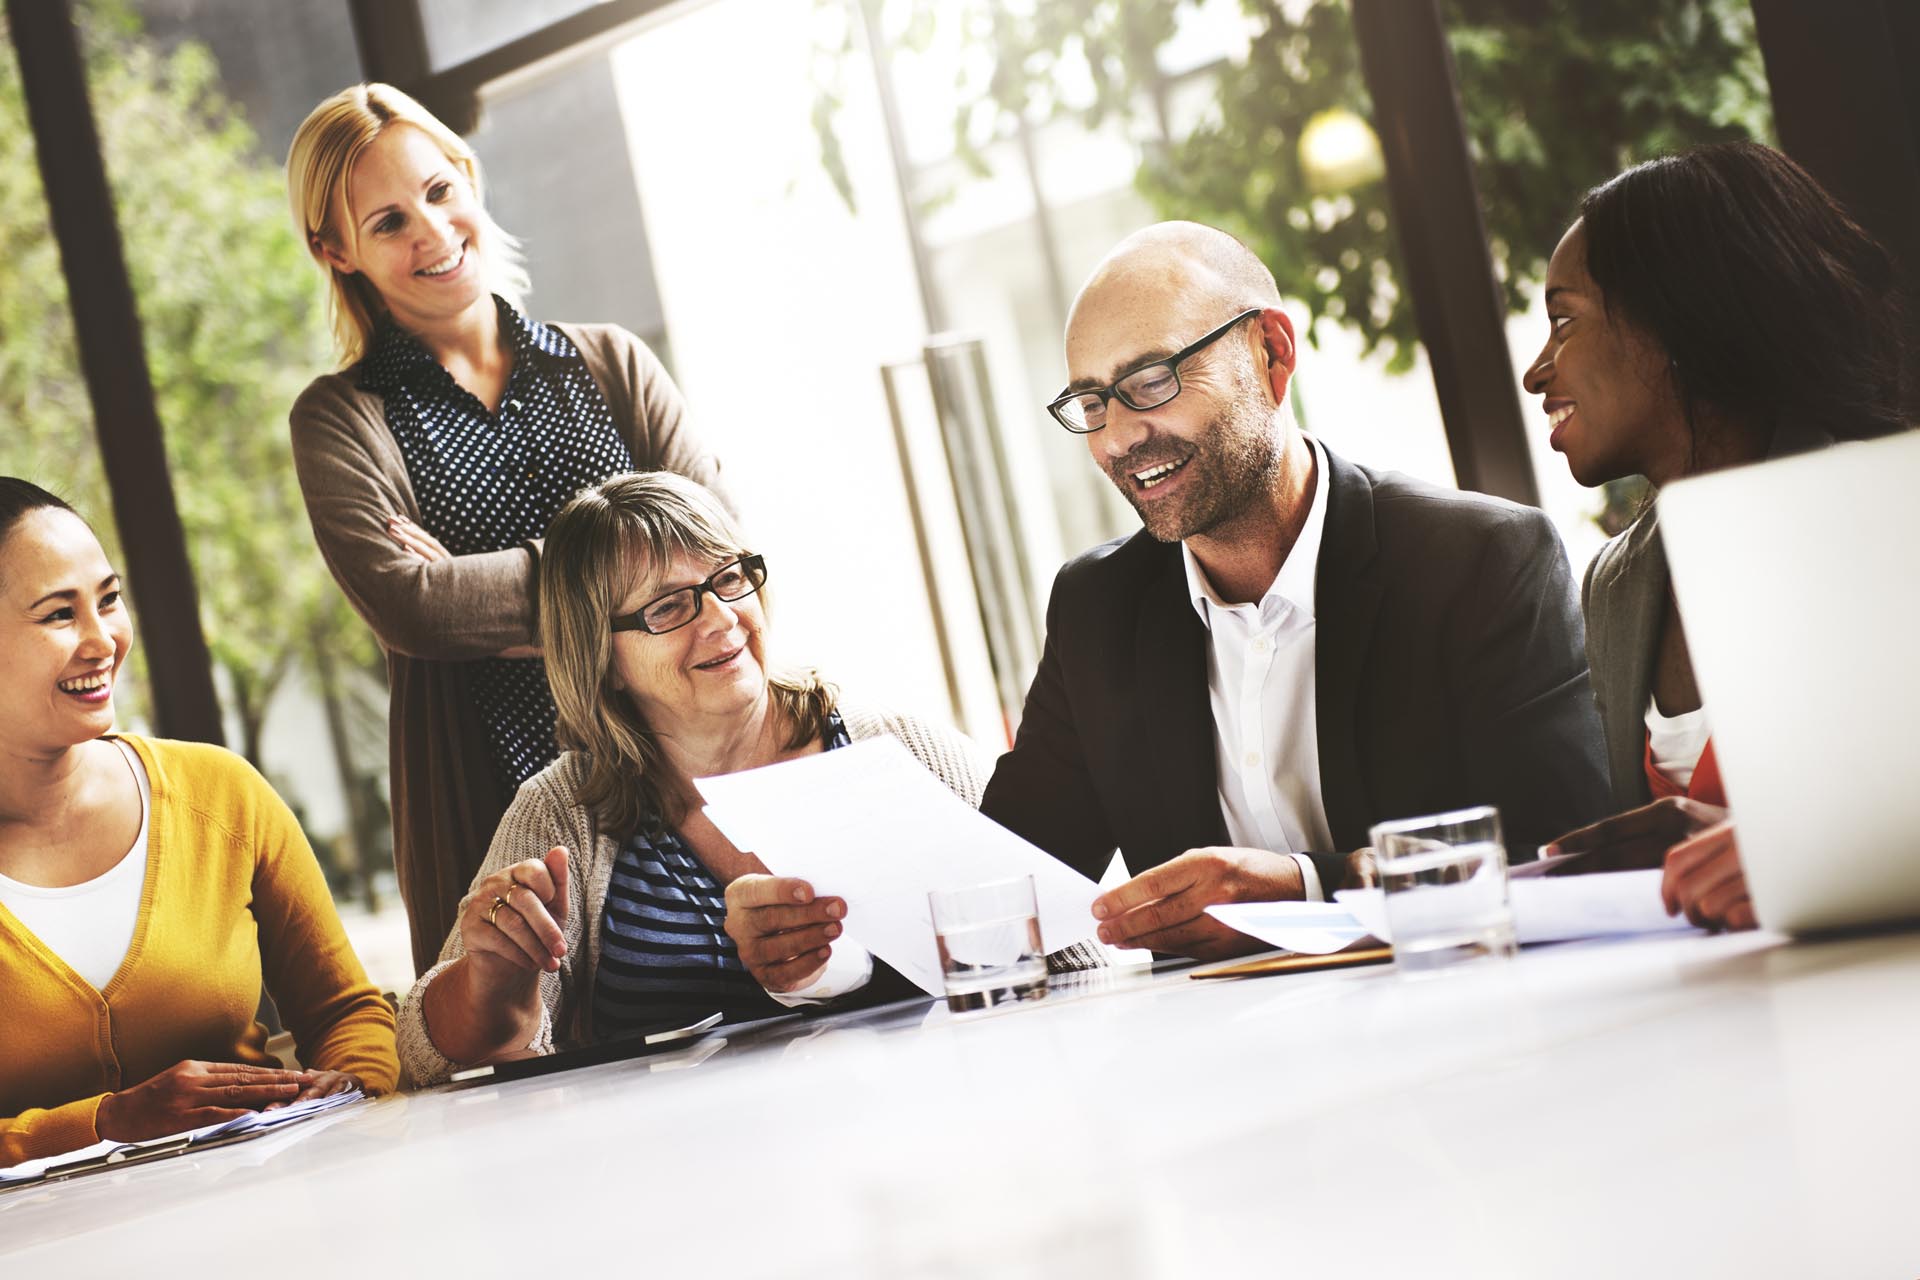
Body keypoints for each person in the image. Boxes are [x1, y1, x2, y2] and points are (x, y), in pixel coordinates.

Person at [978, 221, 1612, 961]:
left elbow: (1561, 857)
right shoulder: (1098, 611)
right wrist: (826, 952)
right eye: (1091, 403)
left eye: (1151, 382)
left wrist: (1310, 888)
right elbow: (999, 891)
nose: (1116, 438)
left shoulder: (1480, 564)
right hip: (1228, 1063)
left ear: (1272, 355)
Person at [285, 84, 727, 974]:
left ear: (471, 181)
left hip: (678, 769)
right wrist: (628, 603)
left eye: (441, 193)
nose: (433, 234)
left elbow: (712, 554)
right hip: (486, 804)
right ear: (335, 251)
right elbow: (417, 610)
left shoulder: (613, 364)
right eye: (389, 222)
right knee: (539, 1067)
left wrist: (490, 595)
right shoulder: (341, 419)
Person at [395, 473, 989, 1084]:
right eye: (668, 606)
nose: (721, 617)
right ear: (604, 659)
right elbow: (424, 1063)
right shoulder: (562, 809)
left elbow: (1066, 953)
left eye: (729, 578)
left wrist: (849, 964)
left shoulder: (901, 748)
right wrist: (489, 981)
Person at [1525, 142, 1913, 930]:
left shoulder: (1892, 517)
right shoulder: (1614, 584)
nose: (1537, 371)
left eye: (1564, 321)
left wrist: (1808, 849)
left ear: (1676, 322)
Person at [0, 480, 397, 1165]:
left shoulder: (220, 793)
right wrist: (106, 1122)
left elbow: (347, 1013)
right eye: (59, 615)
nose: (104, 641)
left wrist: (345, 1092)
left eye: (109, 599)